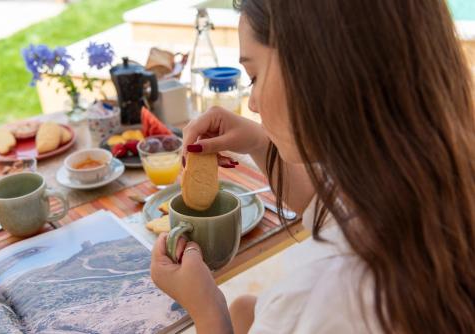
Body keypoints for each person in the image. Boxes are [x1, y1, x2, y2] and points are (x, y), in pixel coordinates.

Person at [150, 0, 475, 333]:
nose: (252, 102)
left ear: (319, 74)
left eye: (254, 76)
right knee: (245, 307)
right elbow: (327, 205)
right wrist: (261, 142)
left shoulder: (318, 299)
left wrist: (207, 311)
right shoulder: (421, 175)